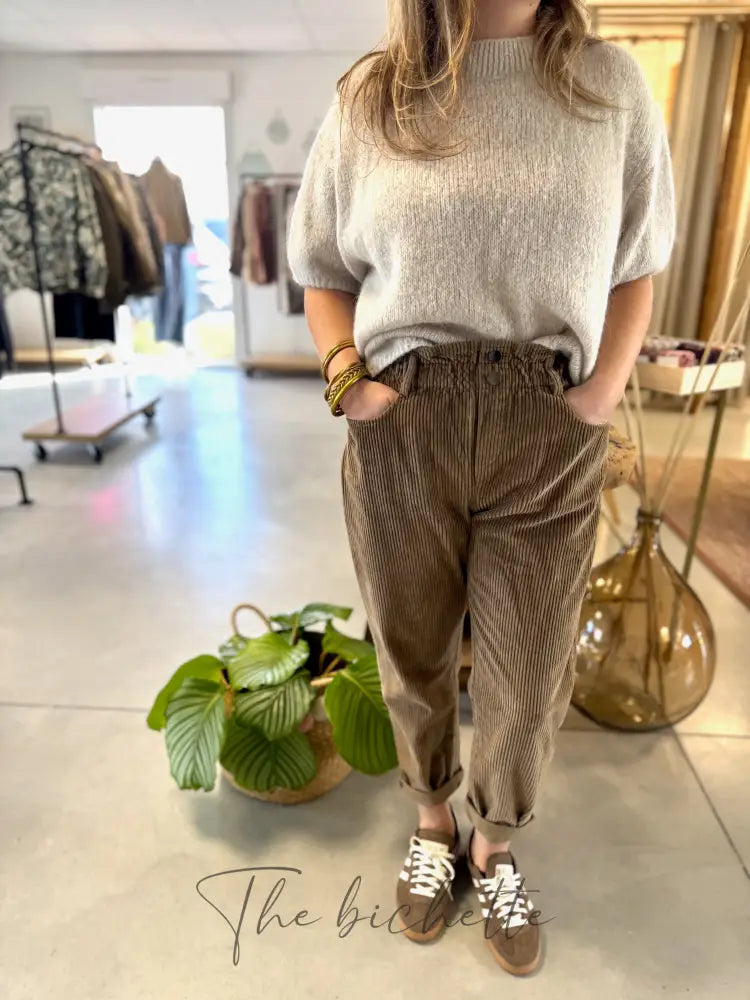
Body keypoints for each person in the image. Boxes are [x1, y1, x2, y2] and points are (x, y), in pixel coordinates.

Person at [287, 0, 676, 976]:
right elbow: (323, 270)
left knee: (529, 669)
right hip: (402, 422)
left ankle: (492, 843)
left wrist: (599, 396)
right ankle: (432, 823)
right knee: (411, 644)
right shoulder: (372, 97)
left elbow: (636, 266)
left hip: (547, 426)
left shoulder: (609, 87)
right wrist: (352, 386)